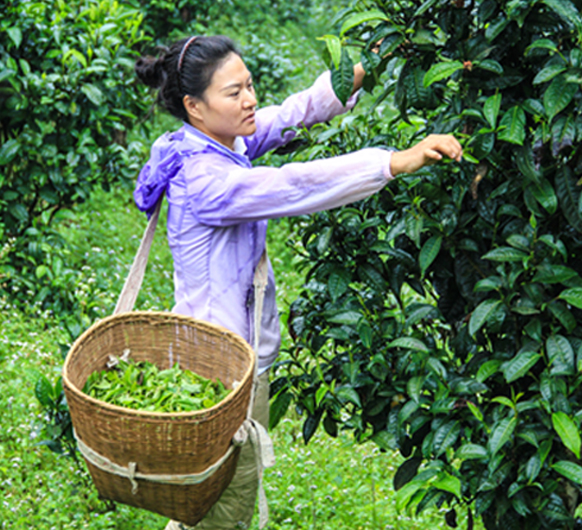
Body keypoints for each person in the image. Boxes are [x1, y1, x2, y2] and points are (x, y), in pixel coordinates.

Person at [133, 35, 462, 530]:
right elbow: (292, 185)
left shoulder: (216, 141)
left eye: (249, 86)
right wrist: (392, 161)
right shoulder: (206, 179)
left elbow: (292, 112)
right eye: (233, 92)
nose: (249, 100)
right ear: (194, 107)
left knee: (205, 502)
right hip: (219, 373)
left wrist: (367, 65)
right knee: (223, 506)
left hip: (223, 360)